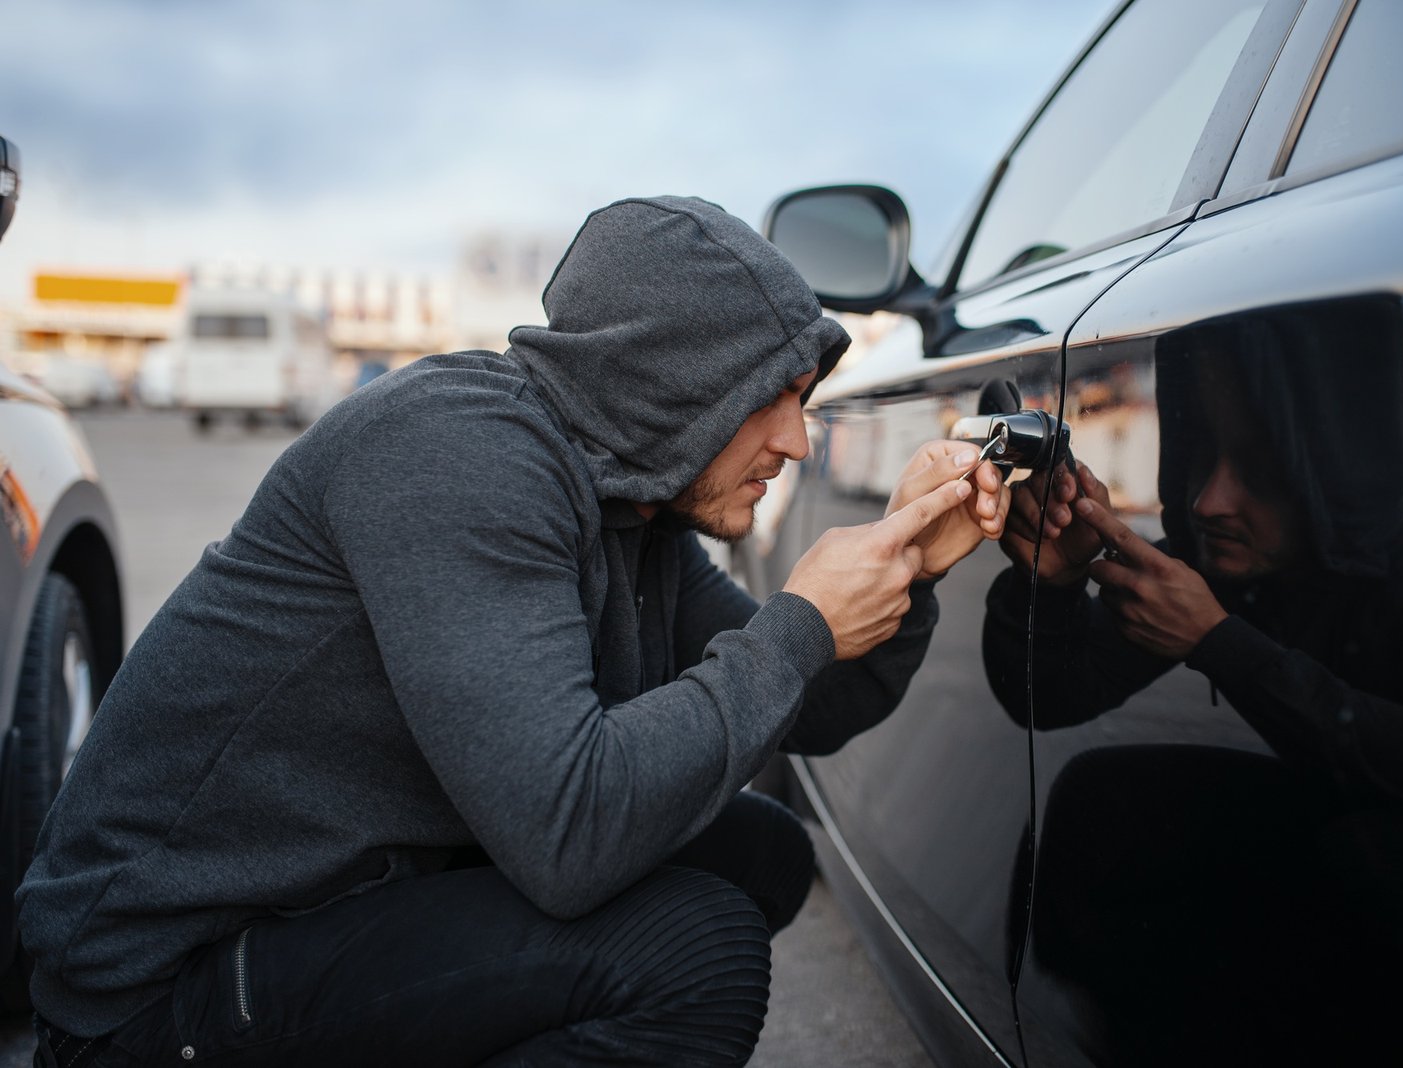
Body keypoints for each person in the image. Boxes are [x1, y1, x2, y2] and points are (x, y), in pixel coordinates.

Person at [19, 196, 1007, 1067]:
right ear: (671, 383)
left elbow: (808, 702)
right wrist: (793, 629)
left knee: (759, 851)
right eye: (771, 398)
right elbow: (567, 834)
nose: (795, 440)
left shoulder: (636, 506)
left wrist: (909, 563)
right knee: (692, 949)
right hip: (157, 985)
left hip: (339, 899)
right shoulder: (456, 457)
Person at [986, 299, 1403, 1063]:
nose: (1211, 501)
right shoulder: (1232, 559)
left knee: (1374, 858)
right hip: (1362, 847)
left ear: (1334, 464)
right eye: (1202, 455)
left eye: (1262, 470)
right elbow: (1053, 697)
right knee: (1102, 801)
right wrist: (1048, 584)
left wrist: (1222, 644)